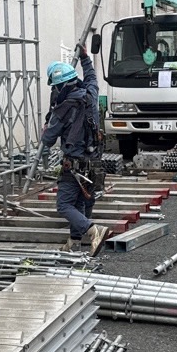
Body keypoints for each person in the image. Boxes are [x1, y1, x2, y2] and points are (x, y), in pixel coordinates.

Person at [41, 47, 108, 256]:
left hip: (75, 165)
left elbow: (48, 140)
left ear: (59, 86)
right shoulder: (91, 96)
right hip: (94, 163)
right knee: (82, 202)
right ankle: (75, 242)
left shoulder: (62, 109)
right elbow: (92, 78)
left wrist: (46, 128)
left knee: (64, 205)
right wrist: (86, 58)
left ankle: (93, 230)